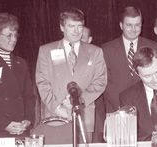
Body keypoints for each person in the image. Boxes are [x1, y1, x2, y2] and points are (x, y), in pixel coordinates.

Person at [35, 7, 107, 143]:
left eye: (80, 26)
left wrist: (79, 100)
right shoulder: (46, 51)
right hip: (55, 117)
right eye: (71, 26)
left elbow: (100, 81)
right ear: (62, 27)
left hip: (83, 116)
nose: (77, 31)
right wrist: (57, 108)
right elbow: (42, 83)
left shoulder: (95, 52)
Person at [101, 6, 157, 113]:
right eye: (129, 25)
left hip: (147, 109)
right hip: (116, 109)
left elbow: (156, 78)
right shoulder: (106, 49)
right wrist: (122, 106)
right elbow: (105, 82)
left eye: (137, 25)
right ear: (121, 25)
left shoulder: (153, 46)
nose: (133, 29)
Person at [81, 26, 105, 143]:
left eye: (82, 37)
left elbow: (100, 83)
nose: (78, 39)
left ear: (90, 40)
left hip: (94, 115)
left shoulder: (97, 56)